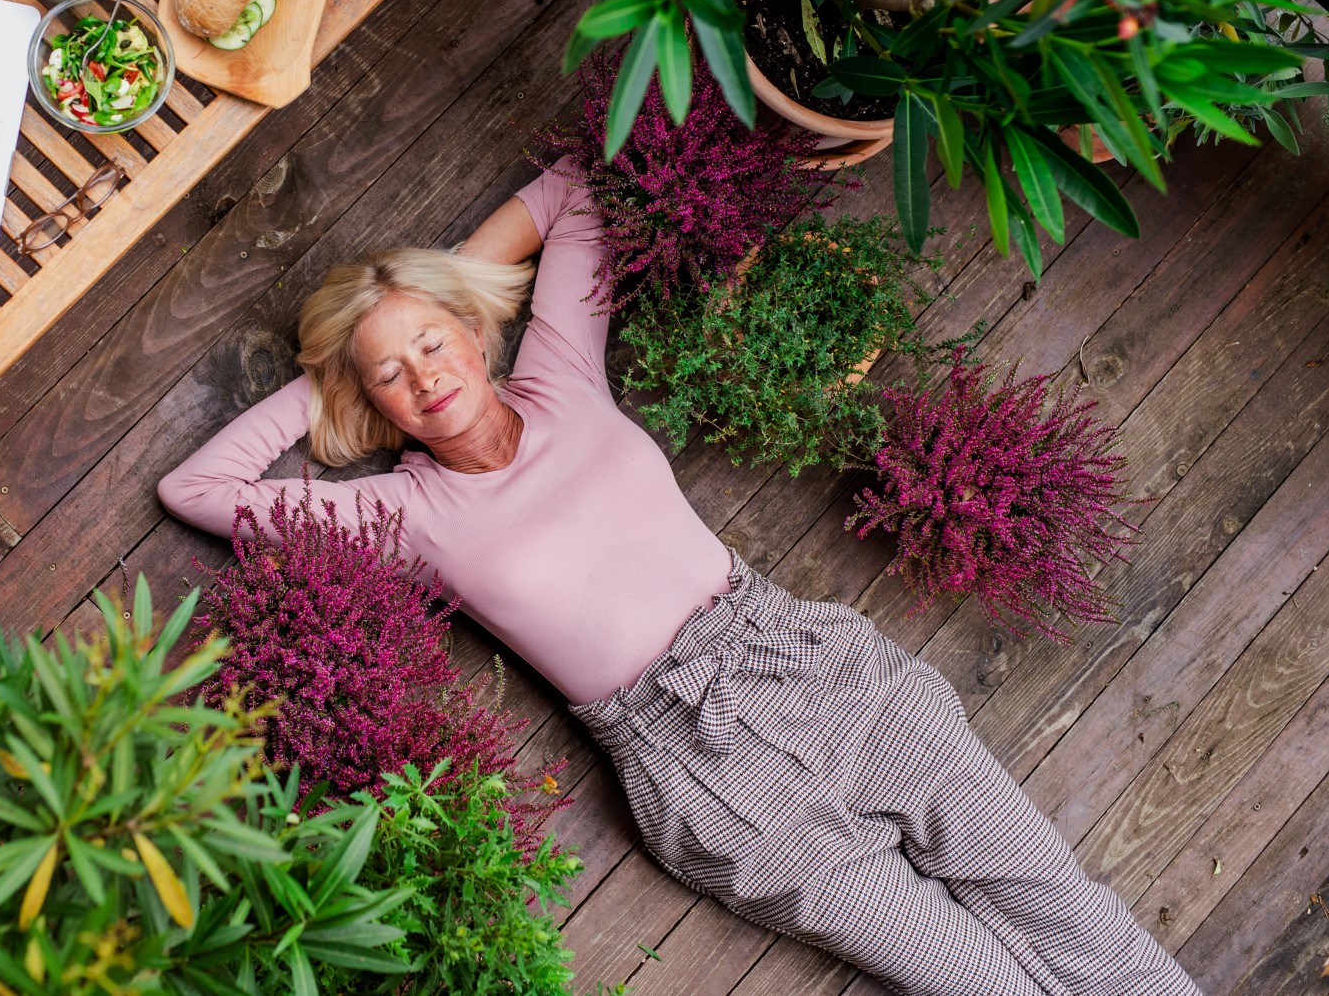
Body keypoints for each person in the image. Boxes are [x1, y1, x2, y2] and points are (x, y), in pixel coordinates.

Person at [157, 165, 1201, 996]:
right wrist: (335, 367)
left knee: (1065, 908)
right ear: (374, 402)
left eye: (434, 343)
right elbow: (194, 485)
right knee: (980, 986)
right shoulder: (399, 514)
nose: (424, 373)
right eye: (391, 373)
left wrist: (421, 291)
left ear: (472, 335)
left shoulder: (560, 373)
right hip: (695, 764)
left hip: (811, 667)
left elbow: (571, 189)